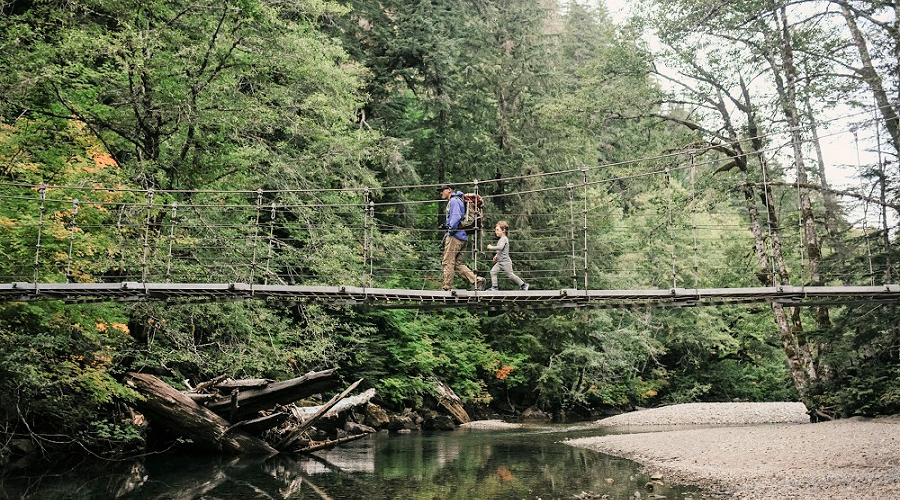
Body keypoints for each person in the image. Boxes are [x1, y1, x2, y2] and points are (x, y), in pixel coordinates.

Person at [439, 183, 485, 291]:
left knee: (448, 261)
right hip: (462, 236)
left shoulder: (454, 201)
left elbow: (455, 218)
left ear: (449, 190)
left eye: (442, 190)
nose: (441, 192)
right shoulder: (459, 200)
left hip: (454, 236)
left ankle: (446, 287)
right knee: (457, 264)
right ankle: (477, 280)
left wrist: (450, 231)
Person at [485, 221, 528, 291]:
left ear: (504, 230)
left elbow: (500, 247)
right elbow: (501, 250)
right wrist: (496, 256)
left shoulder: (504, 239)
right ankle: (494, 287)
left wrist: (491, 247)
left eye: (497, 230)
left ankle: (524, 285)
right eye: (496, 230)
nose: (496, 232)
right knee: (493, 272)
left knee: (511, 275)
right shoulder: (501, 239)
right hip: (500, 262)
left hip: (505, 262)